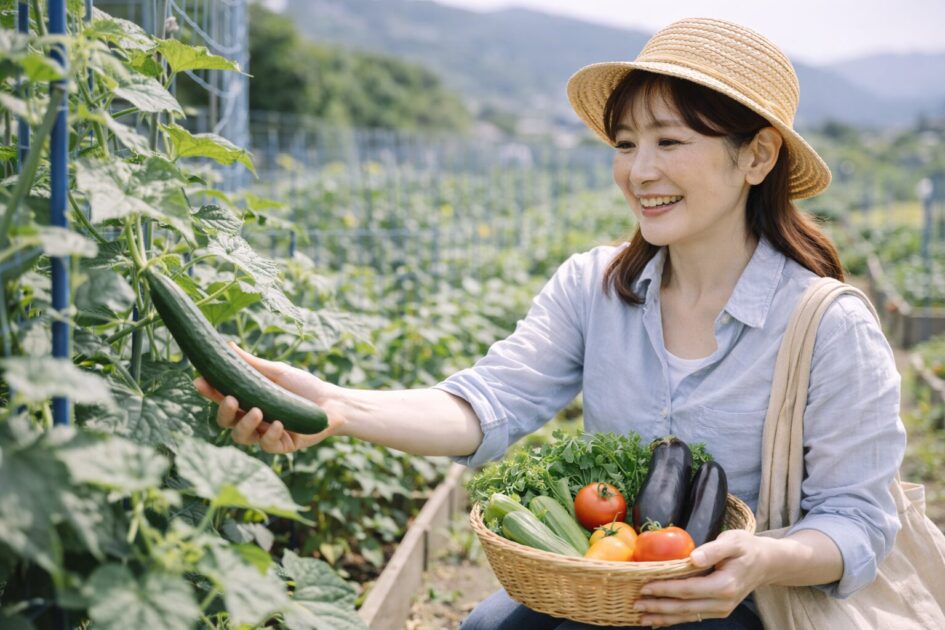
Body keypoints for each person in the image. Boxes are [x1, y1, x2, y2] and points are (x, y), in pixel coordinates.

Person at [195, 17, 905, 630]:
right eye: (625, 144)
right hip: (604, 589)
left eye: (668, 141)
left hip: (748, 609)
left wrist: (760, 560)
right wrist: (337, 407)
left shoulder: (827, 325)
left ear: (756, 155)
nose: (639, 171)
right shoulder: (593, 287)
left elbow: (859, 521)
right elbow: (484, 404)